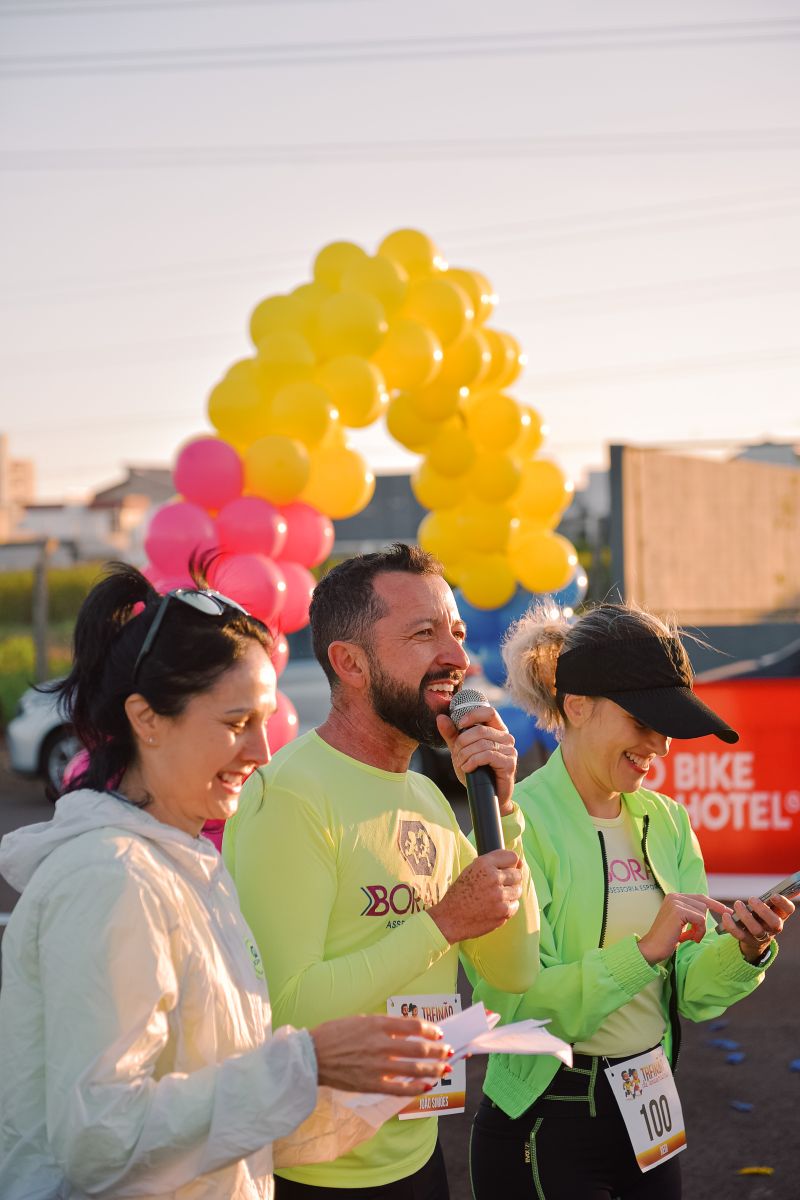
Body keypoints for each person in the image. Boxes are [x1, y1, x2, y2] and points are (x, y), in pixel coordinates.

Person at [0, 564, 454, 1200]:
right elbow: (101, 1140)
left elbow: (218, 1107)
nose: (262, 752)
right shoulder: (112, 880)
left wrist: (344, 1096)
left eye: (265, 720)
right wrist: (308, 1063)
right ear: (147, 719)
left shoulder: (186, 866)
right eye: (238, 722)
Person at [223, 543, 540, 1197]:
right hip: (314, 1172)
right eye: (423, 634)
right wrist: (441, 923)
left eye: (456, 633)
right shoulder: (290, 794)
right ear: (351, 663)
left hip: (419, 1155)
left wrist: (504, 811)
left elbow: (514, 971)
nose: (455, 657)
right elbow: (282, 1013)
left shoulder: (429, 796)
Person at [468, 602, 796, 1200]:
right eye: (645, 720)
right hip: (545, 1119)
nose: (661, 746)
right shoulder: (514, 825)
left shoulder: (668, 821)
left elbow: (690, 993)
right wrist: (642, 953)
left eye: (668, 726)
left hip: (648, 1103)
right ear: (576, 705)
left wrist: (743, 950)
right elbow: (513, 1010)